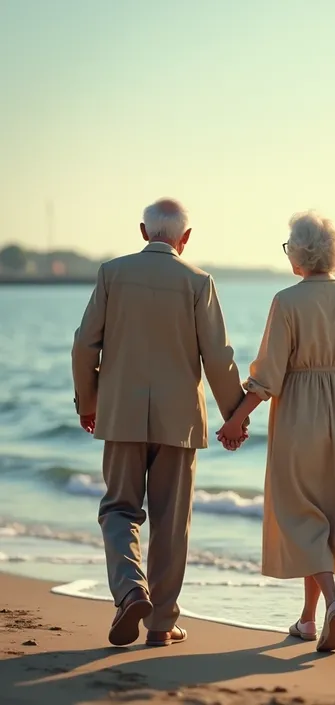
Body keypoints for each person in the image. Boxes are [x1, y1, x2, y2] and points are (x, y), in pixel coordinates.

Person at [72, 198, 247, 647]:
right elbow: (219, 357)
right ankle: (161, 623)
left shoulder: (112, 274)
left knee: (118, 509)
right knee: (171, 522)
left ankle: (131, 589)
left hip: (122, 415)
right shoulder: (199, 281)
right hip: (180, 422)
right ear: (184, 239)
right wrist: (235, 415)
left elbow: (83, 346)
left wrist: (89, 403)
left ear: (143, 231)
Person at [217, 211, 335, 652]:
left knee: (299, 512)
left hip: (299, 412)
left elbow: (270, 373)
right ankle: (308, 620)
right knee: (330, 511)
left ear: (299, 252)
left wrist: (238, 416)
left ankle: (332, 604)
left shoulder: (287, 301)